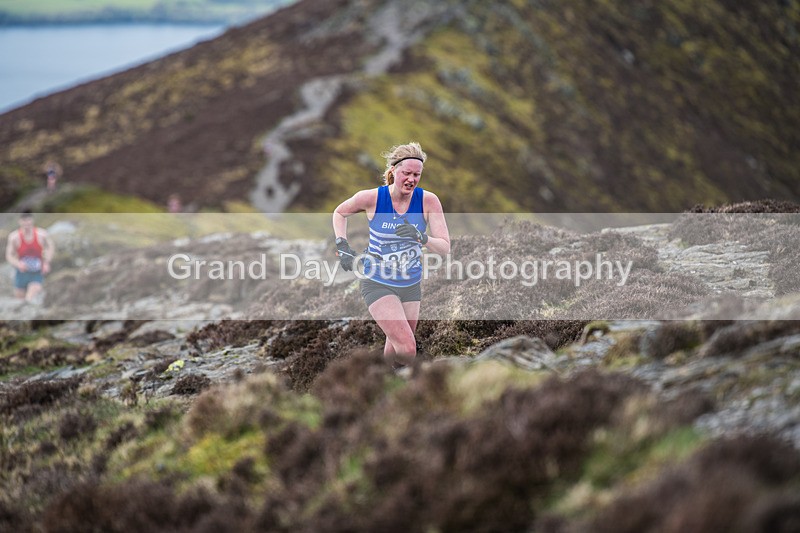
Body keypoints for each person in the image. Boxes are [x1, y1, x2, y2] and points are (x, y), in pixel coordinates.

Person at [332, 142, 450, 368]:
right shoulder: (372, 198)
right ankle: (403, 393)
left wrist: (421, 237)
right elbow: (339, 212)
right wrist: (342, 244)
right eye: (406, 173)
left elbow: (445, 247)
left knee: (395, 346)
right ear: (393, 171)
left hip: (410, 283)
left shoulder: (428, 201)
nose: (411, 179)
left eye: (417, 175)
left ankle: (384, 387)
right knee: (407, 347)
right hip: (377, 282)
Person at [5, 211, 55, 302]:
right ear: (20, 222)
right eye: (24, 221)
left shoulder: (42, 234)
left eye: (29, 221)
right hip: (22, 271)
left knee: (31, 295)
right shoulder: (14, 237)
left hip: (37, 271)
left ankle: (31, 304)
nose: (27, 224)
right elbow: (9, 255)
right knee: (19, 298)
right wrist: (18, 263)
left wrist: (46, 262)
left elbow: (50, 248)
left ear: (32, 221)